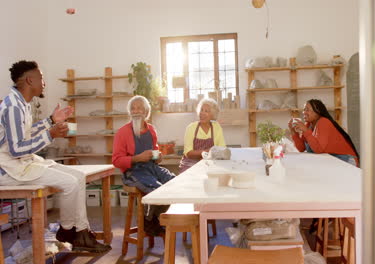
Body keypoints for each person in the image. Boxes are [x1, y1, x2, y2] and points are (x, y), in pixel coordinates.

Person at [0, 60, 111, 253]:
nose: (44, 82)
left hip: (22, 162)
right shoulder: (12, 107)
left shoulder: (22, 103)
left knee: (78, 177)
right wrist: (50, 134)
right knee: (69, 183)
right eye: (41, 78)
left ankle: (80, 232)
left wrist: (51, 121)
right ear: (29, 80)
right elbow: (17, 149)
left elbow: (25, 134)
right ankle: (68, 232)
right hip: (9, 169)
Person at [112, 95, 175, 235]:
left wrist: (158, 157)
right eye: (133, 108)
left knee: (174, 183)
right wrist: (137, 158)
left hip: (151, 168)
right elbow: (116, 160)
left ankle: (156, 219)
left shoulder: (151, 130)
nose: (136, 111)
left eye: (140, 108)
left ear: (146, 112)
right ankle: (149, 221)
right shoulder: (122, 132)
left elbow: (155, 150)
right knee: (157, 190)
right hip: (133, 172)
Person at [288, 99, 359, 166]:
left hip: (346, 160)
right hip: (330, 159)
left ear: (317, 112)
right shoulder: (309, 125)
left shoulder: (324, 122)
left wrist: (306, 131)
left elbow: (319, 150)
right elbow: (301, 148)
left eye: (307, 109)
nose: (304, 112)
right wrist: (293, 131)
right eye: (304, 109)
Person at [179, 98, 226, 173]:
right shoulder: (191, 127)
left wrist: (208, 156)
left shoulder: (216, 127)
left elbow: (222, 149)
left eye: (206, 111)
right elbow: (188, 153)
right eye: (201, 110)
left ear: (212, 115)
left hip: (209, 162)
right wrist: (207, 152)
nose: (202, 113)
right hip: (190, 164)